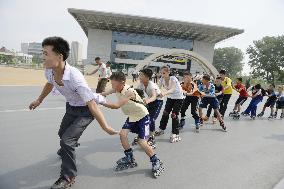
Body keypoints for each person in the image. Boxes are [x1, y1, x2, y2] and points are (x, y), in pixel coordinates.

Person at [29, 37, 118, 189]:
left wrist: (106, 127)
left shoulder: (75, 77)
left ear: (59, 56)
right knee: (62, 134)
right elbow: (50, 84)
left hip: (86, 110)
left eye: (46, 53)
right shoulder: (49, 71)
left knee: (66, 141)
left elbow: (92, 106)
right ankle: (69, 144)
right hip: (71, 107)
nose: (42, 57)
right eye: (42, 53)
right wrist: (39, 100)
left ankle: (68, 176)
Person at [101, 72, 165, 178]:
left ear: (122, 82)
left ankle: (156, 160)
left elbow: (116, 105)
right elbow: (106, 92)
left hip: (142, 116)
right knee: (122, 134)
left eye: (114, 84)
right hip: (132, 116)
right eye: (111, 84)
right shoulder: (117, 88)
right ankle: (129, 158)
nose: (112, 87)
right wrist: (95, 95)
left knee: (141, 142)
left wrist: (100, 101)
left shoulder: (129, 91)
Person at [132, 68, 164, 149]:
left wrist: (147, 101)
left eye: (141, 75)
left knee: (151, 119)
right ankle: (142, 135)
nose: (139, 77)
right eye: (139, 75)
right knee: (143, 117)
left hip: (157, 101)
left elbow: (153, 97)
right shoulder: (141, 84)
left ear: (147, 77)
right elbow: (137, 93)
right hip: (150, 101)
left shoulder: (151, 85)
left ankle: (151, 137)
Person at [155, 66, 185, 143]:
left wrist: (164, 93)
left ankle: (175, 133)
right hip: (170, 97)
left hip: (178, 98)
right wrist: (154, 94)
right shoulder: (162, 79)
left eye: (164, 73)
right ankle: (161, 129)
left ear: (168, 72)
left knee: (174, 115)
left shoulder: (173, 79)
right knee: (165, 113)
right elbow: (157, 88)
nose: (162, 75)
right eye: (161, 73)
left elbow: (172, 89)